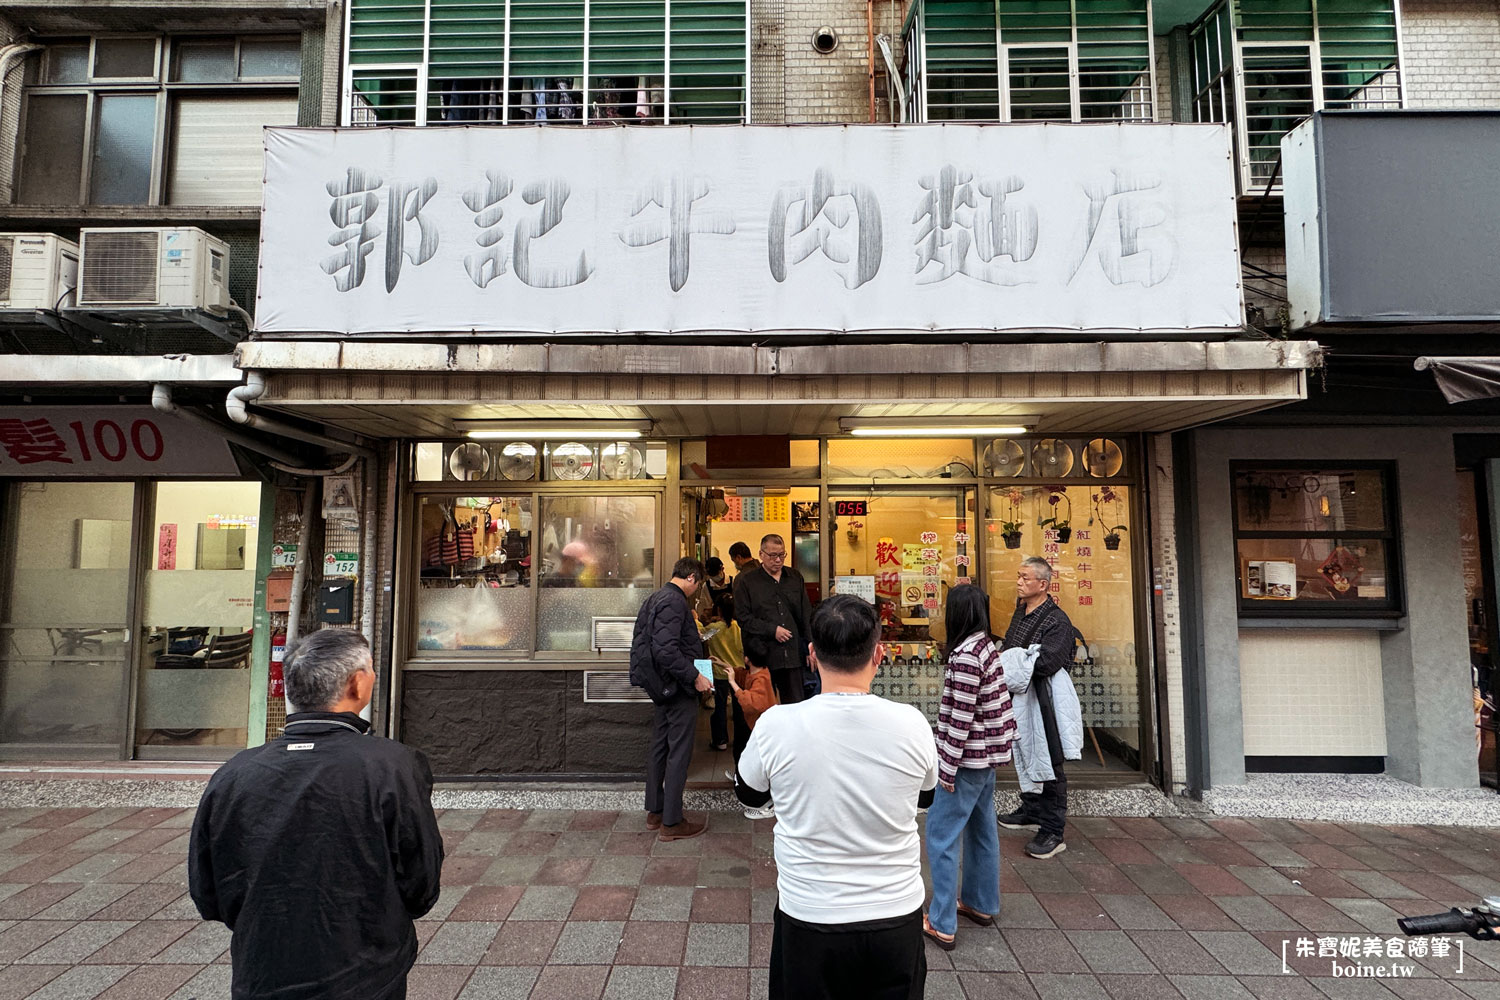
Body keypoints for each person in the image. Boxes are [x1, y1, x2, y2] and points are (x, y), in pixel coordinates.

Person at [188, 630, 443, 1000]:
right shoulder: (393, 766)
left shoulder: (235, 772)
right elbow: (420, 883)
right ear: (357, 684)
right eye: (370, 669)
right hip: (367, 973)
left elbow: (208, 892)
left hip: (261, 972)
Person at [735, 595, 938, 1000]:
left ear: (811, 654)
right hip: (895, 914)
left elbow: (751, 797)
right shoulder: (913, 724)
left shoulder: (777, 724)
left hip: (810, 914)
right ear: (879, 654)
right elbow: (924, 801)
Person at [922, 584, 1017, 951]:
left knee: (941, 837)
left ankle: (942, 921)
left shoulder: (964, 655)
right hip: (987, 756)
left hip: (966, 760)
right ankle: (980, 903)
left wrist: (945, 768)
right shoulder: (986, 645)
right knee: (981, 831)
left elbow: (960, 718)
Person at [997, 556, 1080, 859]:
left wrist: (1014, 662)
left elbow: (1047, 662)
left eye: (1025, 577)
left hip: (1044, 700)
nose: (1019, 582)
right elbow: (1011, 647)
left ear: (1042, 584)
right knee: (1024, 751)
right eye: (1018, 576)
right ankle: (1031, 809)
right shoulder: (1022, 610)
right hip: (1019, 695)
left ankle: (1053, 831)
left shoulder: (1058, 621)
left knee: (1049, 759)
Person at [629, 556, 714, 841]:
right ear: (691, 577)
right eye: (698, 584)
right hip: (677, 688)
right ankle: (672, 822)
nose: (697, 591)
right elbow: (665, 651)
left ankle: (655, 810)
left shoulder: (657, 598)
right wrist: (694, 675)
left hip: (662, 687)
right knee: (678, 752)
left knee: (660, 747)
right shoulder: (674, 602)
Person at [734, 533, 814, 705]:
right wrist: (772, 630)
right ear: (761, 554)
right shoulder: (747, 582)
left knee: (794, 707)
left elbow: (805, 614)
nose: (778, 560)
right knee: (764, 709)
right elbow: (743, 618)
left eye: (781, 555)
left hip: (793, 656)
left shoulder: (795, 578)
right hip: (763, 656)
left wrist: (809, 646)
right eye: (772, 555)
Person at [717, 641, 779, 820]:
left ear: (747, 659)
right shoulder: (758, 671)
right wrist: (724, 665)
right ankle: (741, 777)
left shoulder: (762, 678)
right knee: (742, 749)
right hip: (756, 725)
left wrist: (731, 683)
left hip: (761, 728)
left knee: (756, 760)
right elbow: (742, 674)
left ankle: (766, 804)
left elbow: (750, 703)